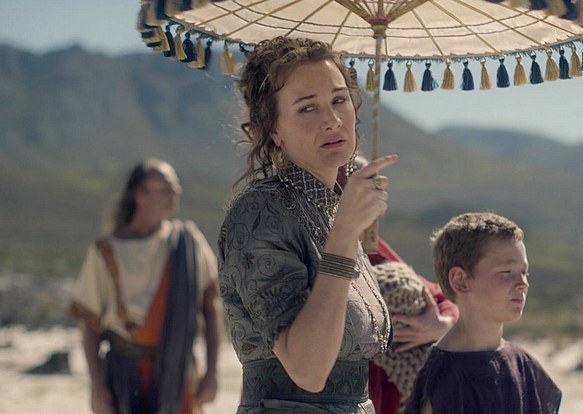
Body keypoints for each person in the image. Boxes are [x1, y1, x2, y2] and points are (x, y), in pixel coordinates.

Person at [217, 36, 398, 413]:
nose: (332, 120)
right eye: (307, 108)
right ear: (274, 130)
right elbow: (308, 370)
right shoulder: (260, 212)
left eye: (339, 100)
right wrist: (345, 232)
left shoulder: (331, 209)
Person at [68, 158, 222, 414]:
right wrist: (96, 386)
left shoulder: (187, 242)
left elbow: (211, 307)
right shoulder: (106, 250)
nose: (176, 192)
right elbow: (88, 322)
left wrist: (212, 373)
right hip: (124, 375)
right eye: (166, 187)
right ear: (140, 195)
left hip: (179, 373)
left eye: (176, 186)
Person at [404, 212, 562, 414]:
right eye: (506, 272)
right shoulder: (446, 376)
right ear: (460, 281)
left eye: (524, 272)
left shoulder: (524, 365)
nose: (523, 283)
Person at [339, 158, 459, 414]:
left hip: (386, 392)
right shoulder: (315, 246)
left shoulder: (374, 247)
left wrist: (443, 324)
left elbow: (437, 296)